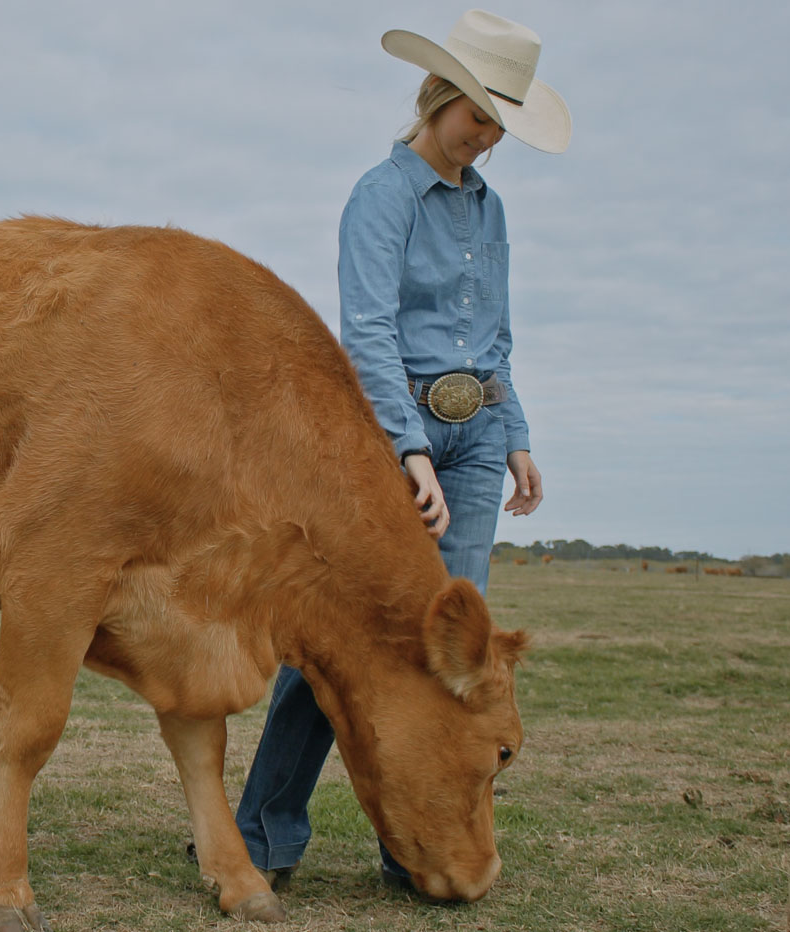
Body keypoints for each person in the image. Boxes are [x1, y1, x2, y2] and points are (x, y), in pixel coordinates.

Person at [232, 9, 570, 891]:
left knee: (450, 662)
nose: (488, 140)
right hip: (395, 439)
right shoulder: (380, 196)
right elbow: (368, 332)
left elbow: (493, 338)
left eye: (500, 128)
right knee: (340, 645)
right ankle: (263, 838)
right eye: (479, 119)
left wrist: (517, 433)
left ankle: (410, 848)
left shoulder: (487, 208)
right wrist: (408, 451)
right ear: (440, 96)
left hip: (478, 433)